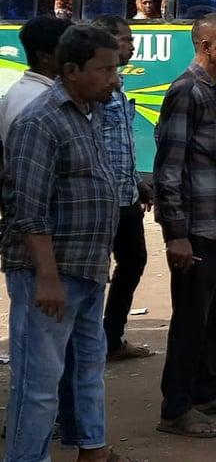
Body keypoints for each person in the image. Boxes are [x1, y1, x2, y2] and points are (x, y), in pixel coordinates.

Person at [2, 24, 133, 462]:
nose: (115, 78)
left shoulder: (85, 115)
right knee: (39, 384)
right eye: (106, 69)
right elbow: (29, 209)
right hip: (50, 276)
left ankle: (92, 450)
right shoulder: (40, 121)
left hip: (87, 270)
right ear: (72, 70)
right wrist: (47, 278)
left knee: (88, 370)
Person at [154, 13, 216, 438]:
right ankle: (176, 408)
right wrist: (176, 234)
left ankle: (206, 389)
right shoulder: (186, 91)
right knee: (191, 320)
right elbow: (168, 168)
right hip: (196, 231)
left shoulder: (214, 91)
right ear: (206, 47)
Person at [92, 16, 155, 362]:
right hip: (102, 202)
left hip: (126, 194)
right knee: (94, 274)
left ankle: (111, 338)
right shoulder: (95, 93)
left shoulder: (118, 87)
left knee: (133, 262)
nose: (131, 46)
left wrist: (137, 182)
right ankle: (91, 344)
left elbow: (120, 144)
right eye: (125, 40)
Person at [0, 15, 73, 142]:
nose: (74, 56)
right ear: (44, 57)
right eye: (67, 50)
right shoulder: (38, 102)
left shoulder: (23, 90)